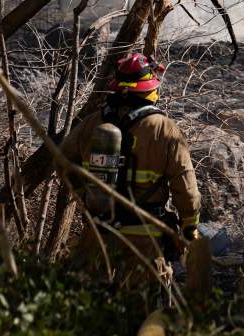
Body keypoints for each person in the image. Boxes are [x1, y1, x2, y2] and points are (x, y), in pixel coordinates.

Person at [61, 52, 201, 283]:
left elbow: (62, 159)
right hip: (144, 241)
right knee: (140, 310)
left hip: (98, 235)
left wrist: (85, 194)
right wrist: (189, 230)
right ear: (150, 89)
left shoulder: (93, 123)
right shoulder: (165, 129)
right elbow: (187, 190)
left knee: (89, 307)